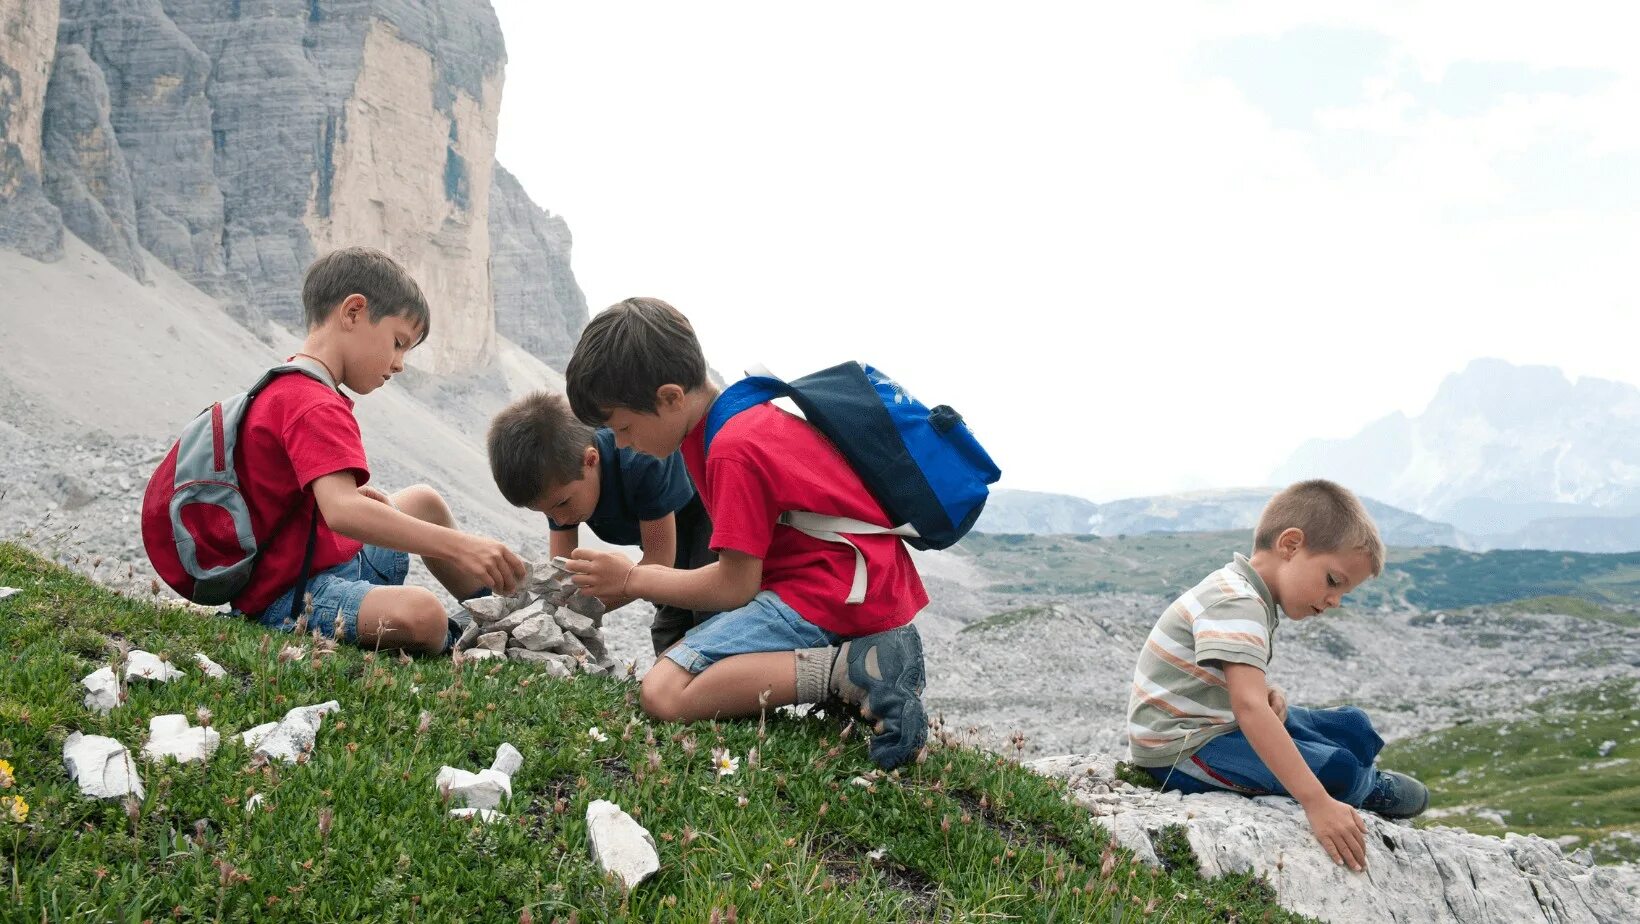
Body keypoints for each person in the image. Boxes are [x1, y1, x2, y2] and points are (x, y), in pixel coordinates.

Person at [561, 297, 929, 769]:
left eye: (624, 427)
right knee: (689, 665)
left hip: (829, 591)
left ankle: (852, 670)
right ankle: (856, 666)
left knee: (664, 692)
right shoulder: (729, 416)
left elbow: (736, 585)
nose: (624, 444)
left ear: (671, 397)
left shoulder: (731, 447)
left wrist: (631, 579)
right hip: (849, 582)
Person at [230, 246, 525, 652]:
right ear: (353, 312)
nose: (400, 363)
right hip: (291, 597)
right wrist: (463, 546)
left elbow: (310, 501)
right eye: (398, 342)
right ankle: (490, 640)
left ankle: (507, 620)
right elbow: (344, 512)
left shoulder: (290, 385)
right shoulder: (314, 403)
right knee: (423, 615)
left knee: (423, 502)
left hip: (323, 560)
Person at [1126, 479, 1428, 872]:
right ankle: (1363, 786)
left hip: (1214, 723)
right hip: (1183, 751)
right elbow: (1249, 709)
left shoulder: (1243, 592)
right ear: (1290, 545)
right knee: (1337, 769)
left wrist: (1265, 693)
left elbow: (1238, 688)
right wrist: (1317, 804)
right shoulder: (1238, 601)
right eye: (1333, 581)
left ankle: (1359, 773)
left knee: (1352, 723)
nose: (1334, 601)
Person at [487, 390, 718, 653]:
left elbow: (658, 563)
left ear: (590, 460)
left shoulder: (641, 462)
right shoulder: (561, 487)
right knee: (670, 627)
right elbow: (564, 574)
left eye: (562, 505)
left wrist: (579, 613)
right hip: (655, 533)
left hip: (703, 520)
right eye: (547, 513)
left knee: (708, 615)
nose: (559, 519)